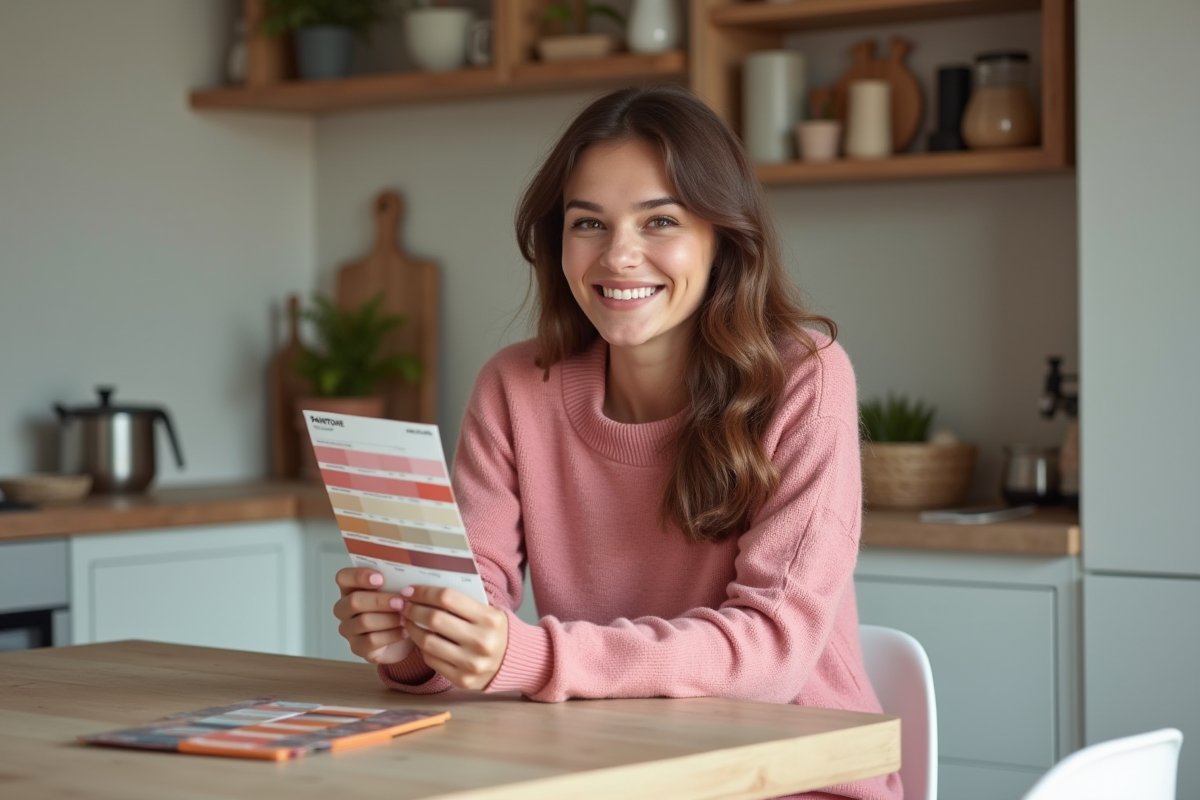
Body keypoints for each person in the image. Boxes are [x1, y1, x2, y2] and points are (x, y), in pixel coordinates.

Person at [333, 85, 902, 800]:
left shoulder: (805, 379)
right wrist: (419, 640)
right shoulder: (515, 385)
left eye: (659, 220)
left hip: (793, 781)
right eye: (588, 224)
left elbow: (772, 651)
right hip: (603, 769)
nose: (619, 256)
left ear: (723, 237)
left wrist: (533, 657)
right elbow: (477, 605)